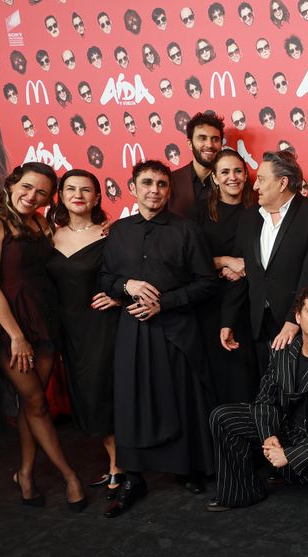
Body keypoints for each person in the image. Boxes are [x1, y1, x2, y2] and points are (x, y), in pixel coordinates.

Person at [99, 160, 218, 517]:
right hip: (132, 332)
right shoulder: (118, 231)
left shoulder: (187, 230)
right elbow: (105, 278)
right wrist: (125, 285)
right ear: (132, 188)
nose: (155, 190)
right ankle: (133, 476)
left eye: (162, 184)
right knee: (133, 402)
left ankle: (187, 469)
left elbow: (207, 283)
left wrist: (163, 304)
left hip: (176, 330)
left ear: (170, 190)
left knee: (182, 399)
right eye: (147, 183)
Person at [207, 284, 308, 510]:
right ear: (298, 317)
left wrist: (290, 455)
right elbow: (265, 400)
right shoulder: (281, 352)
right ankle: (241, 492)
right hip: (287, 431)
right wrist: (268, 435)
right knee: (223, 416)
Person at [0, 163, 86, 511]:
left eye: (42, 194)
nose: (32, 196)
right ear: (13, 181)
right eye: (28, 187)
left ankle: (25, 473)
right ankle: (70, 476)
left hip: (44, 320)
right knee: (35, 402)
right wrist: (15, 336)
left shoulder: (40, 223)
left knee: (31, 405)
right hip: (9, 328)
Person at [47, 170, 123, 499]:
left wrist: (119, 297)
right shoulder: (47, 234)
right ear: (61, 195)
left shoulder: (112, 234)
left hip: (101, 325)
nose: (78, 194)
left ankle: (118, 465)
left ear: (96, 197)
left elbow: (134, 271)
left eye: (86, 190)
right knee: (85, 394)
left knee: (101, 391)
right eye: (71, 189)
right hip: (67, 328)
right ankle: (116, 463)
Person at [221, 150, 308, 372]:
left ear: (283, 183)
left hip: (299, 327)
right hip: (258, 326)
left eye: (261, 180)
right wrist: (228, 320)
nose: (254, 186)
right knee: (266, 391)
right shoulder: (249, 217)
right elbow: (243, 275)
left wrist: (294, 319)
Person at [192, 150, 259, 403]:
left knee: (244, 379)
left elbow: (269, 257)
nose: (233, 177)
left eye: (238, 171)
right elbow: (186, 261)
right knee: (213, 379)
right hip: (208, 305)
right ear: (215, 178)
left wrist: (245, 268)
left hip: (245, 305)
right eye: (225, 172)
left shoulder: (258, 210)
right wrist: (224, 261)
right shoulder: (198, 212)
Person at [168, 112, 223, 217]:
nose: (209, 145)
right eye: (202, 138)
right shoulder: (171, 181)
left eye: (215, 139)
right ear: (190, 144)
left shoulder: (230, 180)